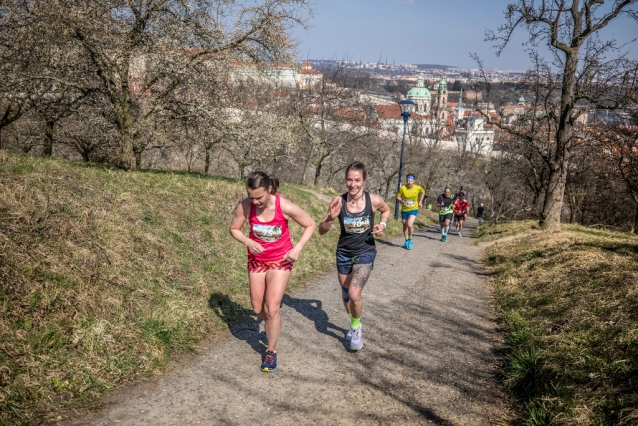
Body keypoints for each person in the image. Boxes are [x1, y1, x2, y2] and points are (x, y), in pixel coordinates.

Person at [230, 171, 316, 372]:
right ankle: (273, 322)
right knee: (257, 308)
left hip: (281, 260)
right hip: (257, 261)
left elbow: (310, 224)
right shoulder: (245, 205)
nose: (255, 201)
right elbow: (234, 229)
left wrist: (297, 248)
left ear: (269, 189)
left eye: (259, 197)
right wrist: (248, 240)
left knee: (271, 308)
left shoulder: (284, 206)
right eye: (251, 197)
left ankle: (270, 350)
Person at [319, 162, 390, 351]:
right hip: (343, 253)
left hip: (365, 251)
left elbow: (386, 210)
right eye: (349, 180)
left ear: (364, 181)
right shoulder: (338, 200)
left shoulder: (373, 200)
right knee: (345, 295)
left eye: (357, 180)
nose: (353, 184)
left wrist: (382, 225)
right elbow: (322, 231)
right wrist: (330, 217)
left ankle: (356, 328)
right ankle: (354, 322)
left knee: (354, 293)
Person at [396, 173, 425, 250]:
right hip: (404, 209)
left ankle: (410, 239)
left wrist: (420, 201)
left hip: (413, 209)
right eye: (408, 180)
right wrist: (401, 201)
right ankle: (406, 240)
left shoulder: (417, 188)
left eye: (411, 181)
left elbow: (423, 192)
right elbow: (398, 196)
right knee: (404, 225)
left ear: (414, 181)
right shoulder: (402, 188)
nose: (409, 182)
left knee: (409, 224)